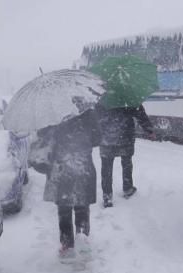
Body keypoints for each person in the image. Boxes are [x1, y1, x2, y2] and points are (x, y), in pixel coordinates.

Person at [30, 109, 100, 255]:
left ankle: (67, 243)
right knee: (82, 204)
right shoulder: (86, 112)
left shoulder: (51, 115)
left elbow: (44, 140)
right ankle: (82, 234)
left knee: (64, 208)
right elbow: (97, 138)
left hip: (62, 167)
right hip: (83, 164)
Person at [98, 104, 154, 207]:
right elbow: (140, 114)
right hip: (125, 137)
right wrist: (149, 130)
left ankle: (107, 197)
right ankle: (128, 188)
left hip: (106, 139)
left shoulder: (102, 98)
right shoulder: (129, 98)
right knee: (127, 163)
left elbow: (94, 118)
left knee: (106, 168)